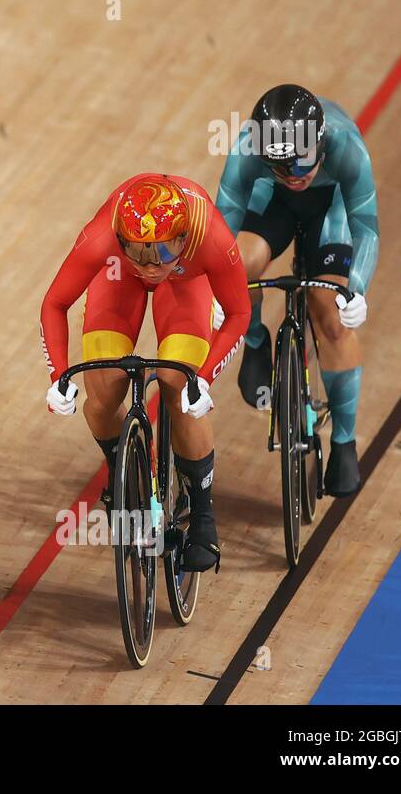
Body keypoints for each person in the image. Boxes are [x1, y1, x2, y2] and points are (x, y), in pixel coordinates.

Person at [40, 173, 251, 572]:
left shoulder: (210, 237)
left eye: (162, 252)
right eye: (138, 252)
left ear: (183, 239)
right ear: (120, 240)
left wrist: (203, 377)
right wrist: (58, 376)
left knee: (179, 387)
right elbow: (55, 303)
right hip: (118, 279)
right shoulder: (102, 237)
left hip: (189, 281)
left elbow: (239, 313)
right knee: (102, 398)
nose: (151, 266)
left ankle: (203, 515)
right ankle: (124, 468)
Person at [215, 84, 378, 497]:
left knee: (332, 316)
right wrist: (218, 289)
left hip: (333, 207)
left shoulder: (345, 146)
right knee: (239, 266)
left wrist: (355, 290)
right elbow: (222, 229)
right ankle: (255, 340)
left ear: (320, 144)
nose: (295, 176)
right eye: (282, 167)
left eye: (303, 164)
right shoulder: (249, 149)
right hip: (275, 204)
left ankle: (344, 441)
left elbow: (365, 227)